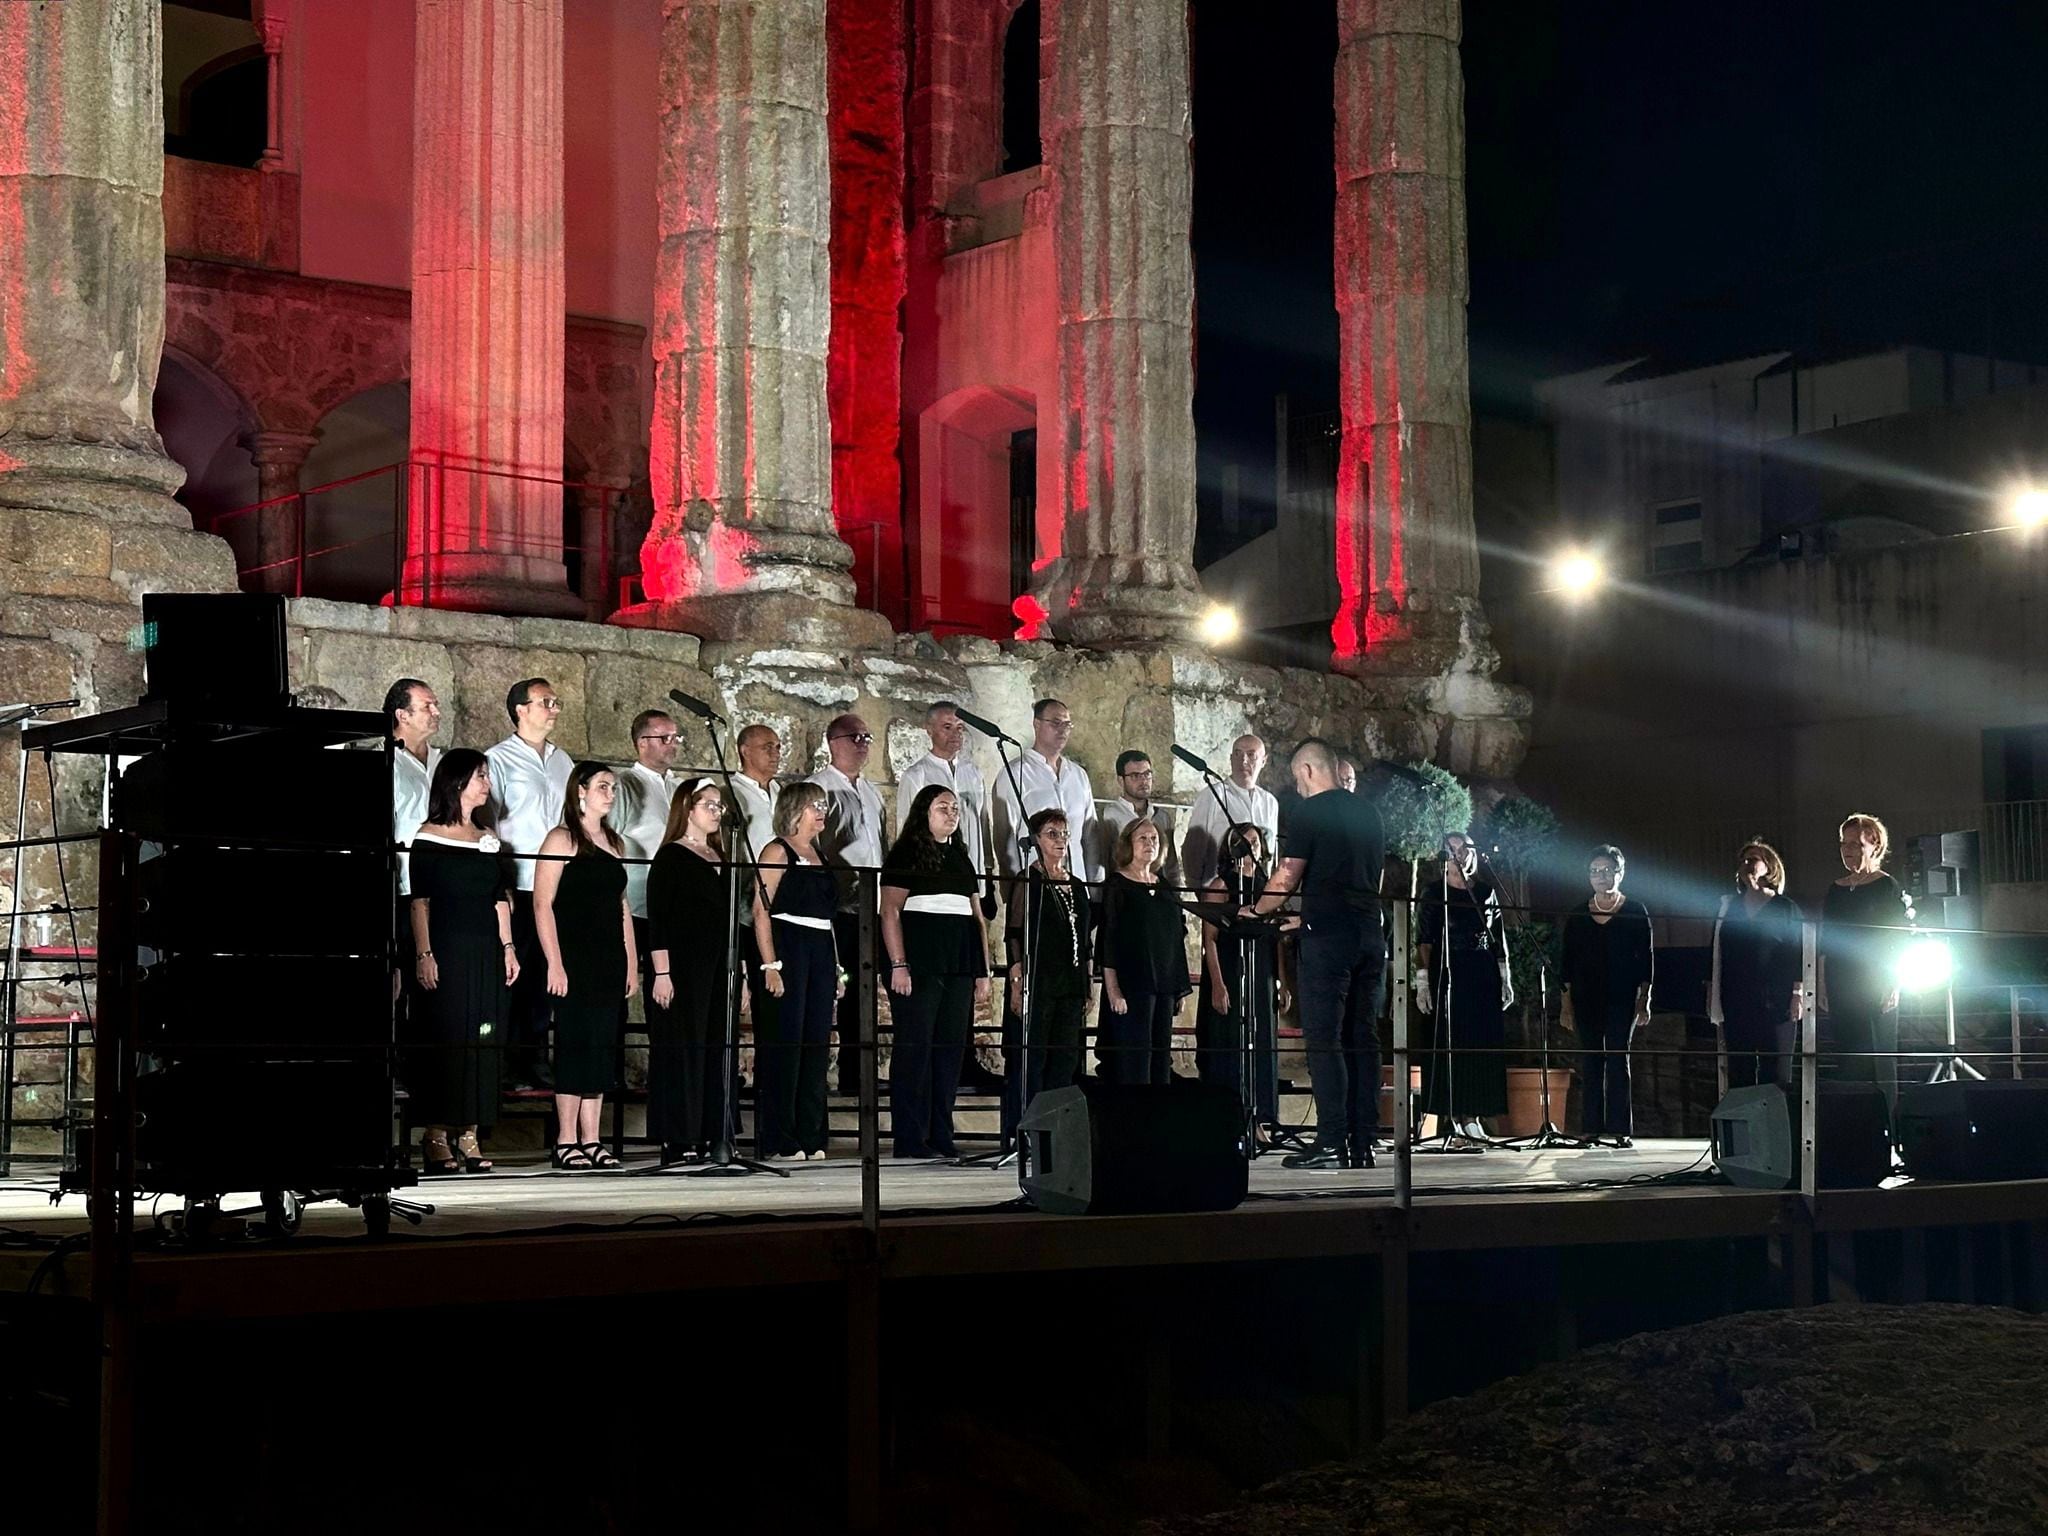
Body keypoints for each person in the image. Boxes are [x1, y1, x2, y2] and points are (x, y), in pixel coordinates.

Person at [1243, 739, 1385, 1169]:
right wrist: (1303, 921)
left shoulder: (1310, 812)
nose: (1298, 787)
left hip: (1328, 940)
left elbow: (1287, 877)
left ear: (1307, 770)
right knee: (1363, 1038)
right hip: (1368, 933)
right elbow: (1361, 879)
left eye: (1296, 778)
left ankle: (1330, 1141)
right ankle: (1363, 1142)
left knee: (1324, 1040)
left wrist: (1257, 909)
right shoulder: (1370, 813)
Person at [406, 749, 515, 1175]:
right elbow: (420, 902)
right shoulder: (428, 837)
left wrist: (508, 948)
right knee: (447, 1038)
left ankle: (470, 1132)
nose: (486, 784)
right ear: (456, 783)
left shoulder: (487, 838)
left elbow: (498, 899)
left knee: (483, 1036)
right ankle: (436, 1134)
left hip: (486, 949)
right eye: (480, 776)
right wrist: (424, 953)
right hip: (447, 950)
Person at [533, 761, 636, 1169]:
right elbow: (542, 904)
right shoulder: (560, 839)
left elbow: (622, 906)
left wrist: (631, 960)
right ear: (580, 791)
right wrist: (554, 963)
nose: (610, 793)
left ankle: (592, 1138)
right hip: (574, 955)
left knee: (601, 1047)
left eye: (613, 787)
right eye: (603, 786)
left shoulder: (614, 842)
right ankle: (566, 1139)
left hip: (609, 956)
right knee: (575, 1044)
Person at [880, 785, 992, 1158]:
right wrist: (899, 964)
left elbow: (977, 917)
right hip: (920, 966)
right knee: (916, 1049)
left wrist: (983, 970)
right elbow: (891, 910)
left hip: (958, 965)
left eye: (955, 807)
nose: (951, 812)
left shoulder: (961, 857)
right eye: (943, 806)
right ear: (924, 812)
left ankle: (941, 1133)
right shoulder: (907, 852)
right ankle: (911, 1137)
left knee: (949, 1051)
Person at [487, 677, 575, 1090]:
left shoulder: (563, 761)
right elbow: (490, 820)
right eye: (546, 702)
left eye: (556, 702)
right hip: (519, 881)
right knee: (513, 973)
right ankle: (503, 1061)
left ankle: (535, 1057)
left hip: (555, 883)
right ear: (521, 709)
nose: (554, 709)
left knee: (546, 973)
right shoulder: (498, 760)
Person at [753, 781, 844, 1161]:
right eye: (813, 805)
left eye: (823, 804)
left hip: (821, 950)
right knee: (786, 1044)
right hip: (789, 946)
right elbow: (761, 911)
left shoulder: (821, 855)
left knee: (815, 1044)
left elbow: (829, 918)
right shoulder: (777, 851)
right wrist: (771, 965)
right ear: (794, 810)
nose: (821, 810)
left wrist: (837, 968)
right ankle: (780, 1137)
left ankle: (812, 1134)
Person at [645, 777, 732, 1164]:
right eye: (709, 805)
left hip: (717, 965)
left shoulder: (722, 857)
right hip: (681, 964)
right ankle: (678, 1135)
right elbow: (659, 918)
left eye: (719, 806)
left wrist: (739, 970)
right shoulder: (671, 858)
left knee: (715, 1045)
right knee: (682, 1046)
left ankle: (712, 1131)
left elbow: (733, 920)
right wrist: (662, 973)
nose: (716, 812)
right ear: (688, 809)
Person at [1002, 808, 1094, 1139]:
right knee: (1034, 1058)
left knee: (1064, 1059)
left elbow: (1084, 939)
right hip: (1038, 982)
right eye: (1051, 834)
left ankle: (1057, 1130)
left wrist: (1087, 982)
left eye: (1064, 834)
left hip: (1070, 983)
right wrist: (1016, 982)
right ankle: (1029, 1129)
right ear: (1036, 840)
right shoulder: (1029, 880)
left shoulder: (1077, 883)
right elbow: (1014, 933)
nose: (1060, 840)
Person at [809, 713, 887, 1101]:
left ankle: (861, 1071)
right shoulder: (819, 789)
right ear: (833, 742)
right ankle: (824, 1073)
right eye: (854, 737)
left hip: (870, 906)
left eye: (867, 737)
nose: (862, 744)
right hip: (839, 906)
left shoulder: (871, 792)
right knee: (839, 989)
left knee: (866, 990)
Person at [1416, 831, 1513, 1141]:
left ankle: (1473, 1115)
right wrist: (1423, 982)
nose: (1458, 855)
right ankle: (1455, 1118)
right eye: (1451, 850)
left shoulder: (1485, 891)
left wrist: (1505, 977)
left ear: (1473, 853)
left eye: (1464, 849)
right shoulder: (1433, 892)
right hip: (1447, 972)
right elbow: (1425, 940)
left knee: (1479, 1044)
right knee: (1449, 1043)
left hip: (1480, 973)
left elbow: (1498, 936)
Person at [1820, 814, 1912, 1120]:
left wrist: (1894, 983)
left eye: (1856, 843)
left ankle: (1886, 1131)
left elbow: (1898, 940)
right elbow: (1826, 939)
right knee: (1847, 1056)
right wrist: (1821, 982)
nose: (1848, 850)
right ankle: (1856, 1132)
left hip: (1875, 980)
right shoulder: (1835, 889)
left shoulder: (1886, 886)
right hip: (1840, 980)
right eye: (1844, 843)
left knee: (1878, 1056)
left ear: (1874, 845)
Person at [1560, 845, 1654, 1147]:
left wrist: (1644, 1000)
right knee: (1591, 1060)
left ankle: (1620, 1128)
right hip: (1586, 997)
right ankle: (1589, 1128)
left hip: (1622, 996)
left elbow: (1647, 962)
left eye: (1607, 870)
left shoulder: (1636, 910)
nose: (1600, 876)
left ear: (1620, 872)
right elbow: (1567, 964)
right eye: (1594, 871)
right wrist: (1565, 1005)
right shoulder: (1577, 914)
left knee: (1617, 1058)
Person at [1195, 822, 1281, 1131]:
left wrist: (1280, 980)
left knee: (1260, 1041)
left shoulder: (1268, 885)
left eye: (1255, 842)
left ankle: (1260, 1118)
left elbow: (1276, 935)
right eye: (1244, 842)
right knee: (1230, 1040)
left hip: (1261, 972)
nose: (1251, 848)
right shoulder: (1221, 885)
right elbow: (1210, 939)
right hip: (1230, 970)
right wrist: (1218, 984)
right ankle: (1229, 1118)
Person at [1709, 839, 1803, 1089]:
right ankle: (1743, 1126)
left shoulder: (1785, 907)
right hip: (1737, 1001)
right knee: (1740, 1071)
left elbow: (1796, 952)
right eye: (1744, 860)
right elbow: (1718, 953)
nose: (1747, 864)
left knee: (1777, 1073)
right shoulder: (1729, 907)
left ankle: (1776, 1127)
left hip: (1776, 1001)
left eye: (1754, 859)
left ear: (1770, 866)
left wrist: (1797, 994)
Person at [1100, 818, 1187, 1085]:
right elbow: (1108, 939)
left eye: (1154, 839)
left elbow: (1175, 937)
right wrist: (1113, 989)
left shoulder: (1163, 886)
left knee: (1161, 1060)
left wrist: (1177, 988)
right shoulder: (1117, 884)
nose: (1150, 843)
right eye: (1143, 838)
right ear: (1129, 844)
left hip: (1163, 984)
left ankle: (1157, 1121)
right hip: (1133, 984)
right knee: (1136, 1061)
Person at [990, 698, 1101, 882]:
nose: (1063, 730)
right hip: (1036, 884)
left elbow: (1090, 836)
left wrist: (1095, 886)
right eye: (1056, 723)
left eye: (1067, 724)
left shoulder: (1078, 775)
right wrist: (1015, 888)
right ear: (1037, 724)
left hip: (1077, 883)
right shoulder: (1015, 773)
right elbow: (1005, 840)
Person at [1183, 734, 1280, 889]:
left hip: (1257, 891)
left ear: (1263, 760)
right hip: (1220, 891)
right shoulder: (1213, 795)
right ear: (1230, 758)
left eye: (1251, 755)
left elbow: (1269, 851)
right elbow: (1194, 847)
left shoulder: (1270, 802)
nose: (1243, 760)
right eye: (1237, 753)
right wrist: (1198, 889)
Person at [1095, 750, 1184, 893]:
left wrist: (1176, 896)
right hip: (1124, 891)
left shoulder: (1162, 817)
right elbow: (1102, 860)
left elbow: (1171, 864)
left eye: (1147, 774)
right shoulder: (1108, 815)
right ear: (1120, 780)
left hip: (1158, 890)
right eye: (1135, 776)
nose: (1143, 781)